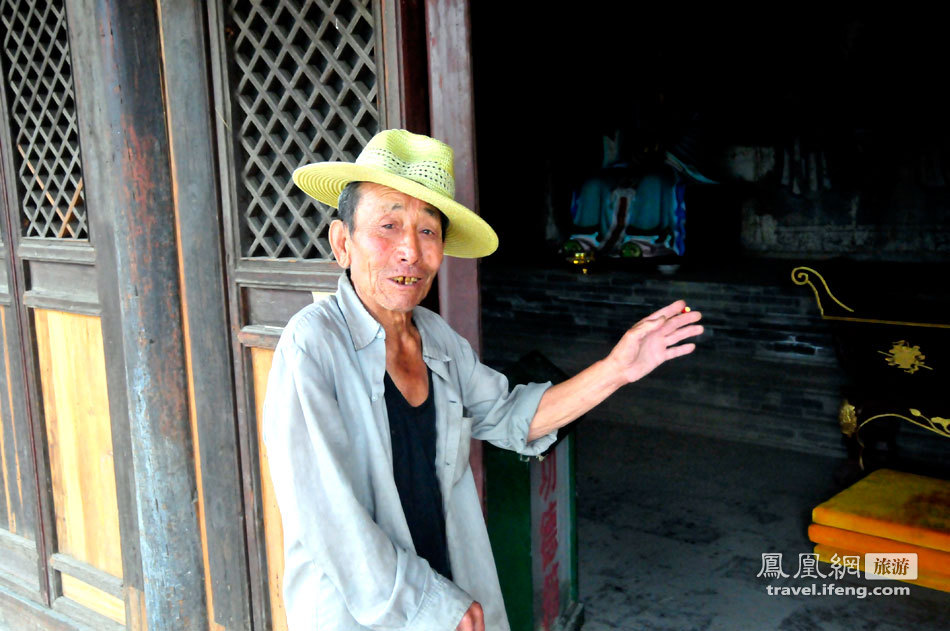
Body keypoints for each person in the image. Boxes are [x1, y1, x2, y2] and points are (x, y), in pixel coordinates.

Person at [262, 129, 704, 631]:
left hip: (451, 590)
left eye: (428, 231)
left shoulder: (437, 340)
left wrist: (617, 369)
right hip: (359, 612)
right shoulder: (311, 345)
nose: (410, 250)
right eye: (388, 225)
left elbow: (511, 415)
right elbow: (329, 519)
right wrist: (431, 606)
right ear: (343, 242)